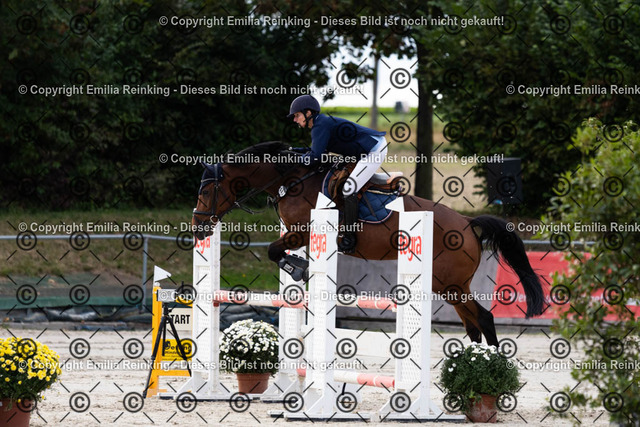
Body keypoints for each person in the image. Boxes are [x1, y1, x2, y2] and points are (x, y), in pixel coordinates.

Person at [287, 94, 387, 253]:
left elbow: (314, 158)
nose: (295, 119)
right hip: (363, 151)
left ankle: (349, 236)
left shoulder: (321, 125)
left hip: (374, 150)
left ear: (308, 113)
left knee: (349, 188)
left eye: (297, 115)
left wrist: (294, 159)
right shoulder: (320, 124)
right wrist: (290, 152)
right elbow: (314, 151)